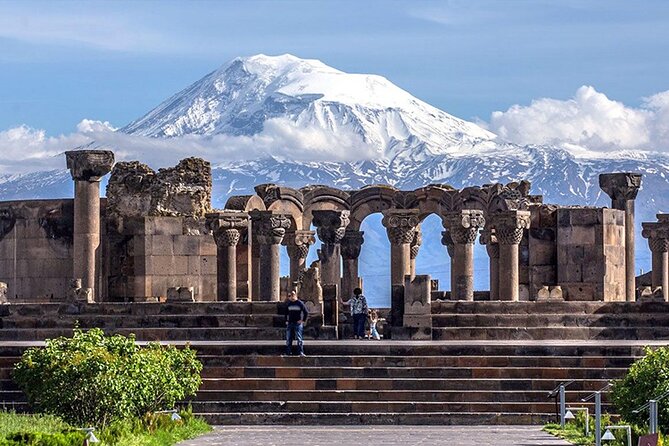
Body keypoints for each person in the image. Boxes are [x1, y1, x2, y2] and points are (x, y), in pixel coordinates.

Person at [284, 290, 308, 356]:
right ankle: (288, 352)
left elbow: (306, 312)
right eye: (289, 295)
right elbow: (285, 313)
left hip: (298, 323)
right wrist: (286, 320)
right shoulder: (288, 304)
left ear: (295, 295)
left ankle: (300, 352)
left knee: (299, 338)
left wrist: (303, 320)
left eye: (292, 295)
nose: (291, 296)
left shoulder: (300, 303)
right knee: (289, 339)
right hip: (290, 323)